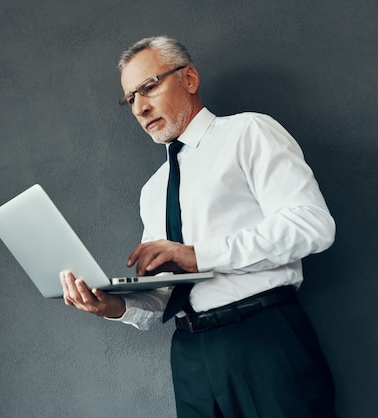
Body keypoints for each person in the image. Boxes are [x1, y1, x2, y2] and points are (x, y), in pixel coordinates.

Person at [59, 36, 337, 418]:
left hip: (262, 338)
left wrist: (197, 255)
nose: (140, 107)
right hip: (189, 356)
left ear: (189, 78)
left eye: (149, 87)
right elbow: (164, 298)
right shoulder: (153, 190)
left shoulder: (248, 132)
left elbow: (312, 225)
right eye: (131, 99)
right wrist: (112, 306)